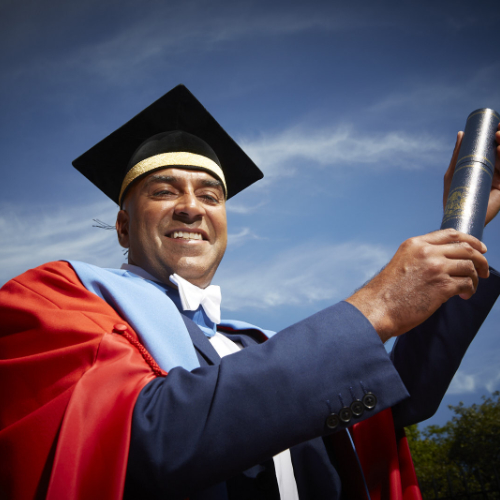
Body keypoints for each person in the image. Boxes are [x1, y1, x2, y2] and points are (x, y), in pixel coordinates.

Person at [1, 85, 500, 500]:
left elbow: (392, 408)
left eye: (210, 195)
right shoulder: (57, 301)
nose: (191, 208)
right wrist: (378, 306)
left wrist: (463, 225)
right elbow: (142, 440)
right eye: (163, 191)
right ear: (123, 227)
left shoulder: (253, 345)